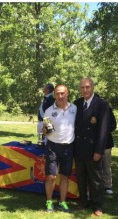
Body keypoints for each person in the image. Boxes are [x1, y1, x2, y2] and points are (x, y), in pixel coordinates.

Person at [74, 78, 109, 217]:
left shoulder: (101, 104)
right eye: (82, 87)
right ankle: (83, 202)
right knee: (81, 178)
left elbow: (103, 130)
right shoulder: (77, 104)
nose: (85, 90)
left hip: (93, 149)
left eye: (87, 87)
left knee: (95, 180)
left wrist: (99, 151)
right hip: (79, 149)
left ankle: (97, 205)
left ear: (92, 87)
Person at [42, 84, 77, 213]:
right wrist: (44, 130)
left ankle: (62, 202)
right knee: (51, 176)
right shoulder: (49, 111)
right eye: (57, 93)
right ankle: (49, 202)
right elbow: (47, 131)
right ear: (55, 95)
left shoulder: (75, 108)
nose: (60, 96)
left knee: (64, 177)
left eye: (62, 93)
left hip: (69, 147)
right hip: (53, 146)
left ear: (67, 94)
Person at [102, 103, 116, 195]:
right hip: (92, 144)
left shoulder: (107, 110)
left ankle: (108, 185)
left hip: (106, 143)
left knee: (106, 165)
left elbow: (113, 125)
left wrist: (103, 130)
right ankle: (96, 185)